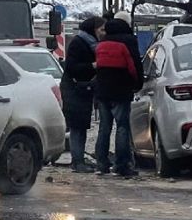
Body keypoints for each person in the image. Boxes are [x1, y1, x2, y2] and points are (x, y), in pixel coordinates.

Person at [93, 11, 144, 177]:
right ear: (127, 23)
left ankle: (101, 164)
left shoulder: (102, 41)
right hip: (121, 90)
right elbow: (134, 66)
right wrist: (137, 84)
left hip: (102, 91)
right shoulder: (129, 40)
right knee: (122, 127)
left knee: (104, 128)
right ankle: (122, 165)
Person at [60, 16, 106, 173]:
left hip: (83, 89)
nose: (103, 33)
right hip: (74, 89)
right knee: (77, 127)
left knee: (81, 126)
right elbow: (72, 67)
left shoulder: (89, 43)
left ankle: (79, 160)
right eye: (101, 29)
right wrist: (92, 65)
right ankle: (77, 161)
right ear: (93, 29)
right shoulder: (79, 43)